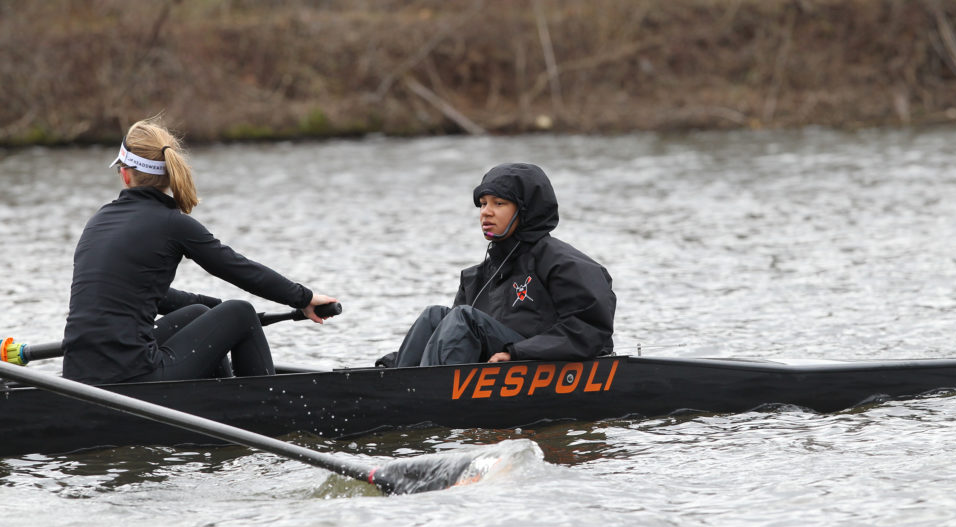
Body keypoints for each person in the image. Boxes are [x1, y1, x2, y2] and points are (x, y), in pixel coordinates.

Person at [61, 118, 337, 386]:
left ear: (124, 174)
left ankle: (217, 397)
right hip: (133, 376)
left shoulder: (99, 220)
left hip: (78, 376)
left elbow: (139, 293)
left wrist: (214, 308)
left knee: (198, 312)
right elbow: (237, 268)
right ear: (170, 174)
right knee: (241, 313)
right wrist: (304, 297)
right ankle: (263, 409)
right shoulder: (172, 223)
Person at [378, 162, 615, 368]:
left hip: (541, 361)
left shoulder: (567, 264)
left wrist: (516, 353)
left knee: (463, 318)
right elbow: (446, 340)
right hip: (496, 363)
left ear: (525, 211)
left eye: (499, 203)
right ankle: (397, 380)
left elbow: (590, 332)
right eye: (482, 204)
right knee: (435, 316)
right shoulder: (476, 276)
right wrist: (393, 360)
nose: (485, 213)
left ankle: (423, 393)